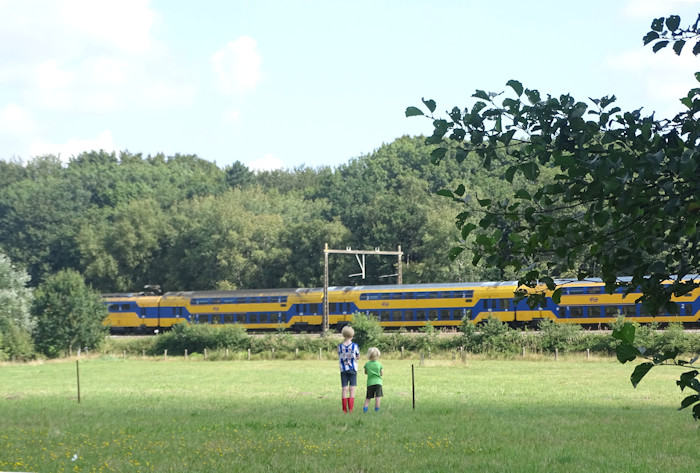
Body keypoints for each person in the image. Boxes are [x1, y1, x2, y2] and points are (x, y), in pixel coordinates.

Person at [337, 325, 359, 413]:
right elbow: (358, 356)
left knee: (344, 389)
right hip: (353, 369)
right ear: (352, 335)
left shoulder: (339, 346)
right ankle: (351, 409)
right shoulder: (355, 346)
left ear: (343, 335)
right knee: (352, 389)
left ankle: (344, 409)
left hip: (343, 369)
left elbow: (339, 356)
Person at [363, 347, 383, 413]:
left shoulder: (367, 364)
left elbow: (365, 372)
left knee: (368, 397)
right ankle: (377, 410)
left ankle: (365, 410)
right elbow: (381, 373)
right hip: (378, 383)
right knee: (377, 397)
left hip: (370, 383)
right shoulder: (379, 364)